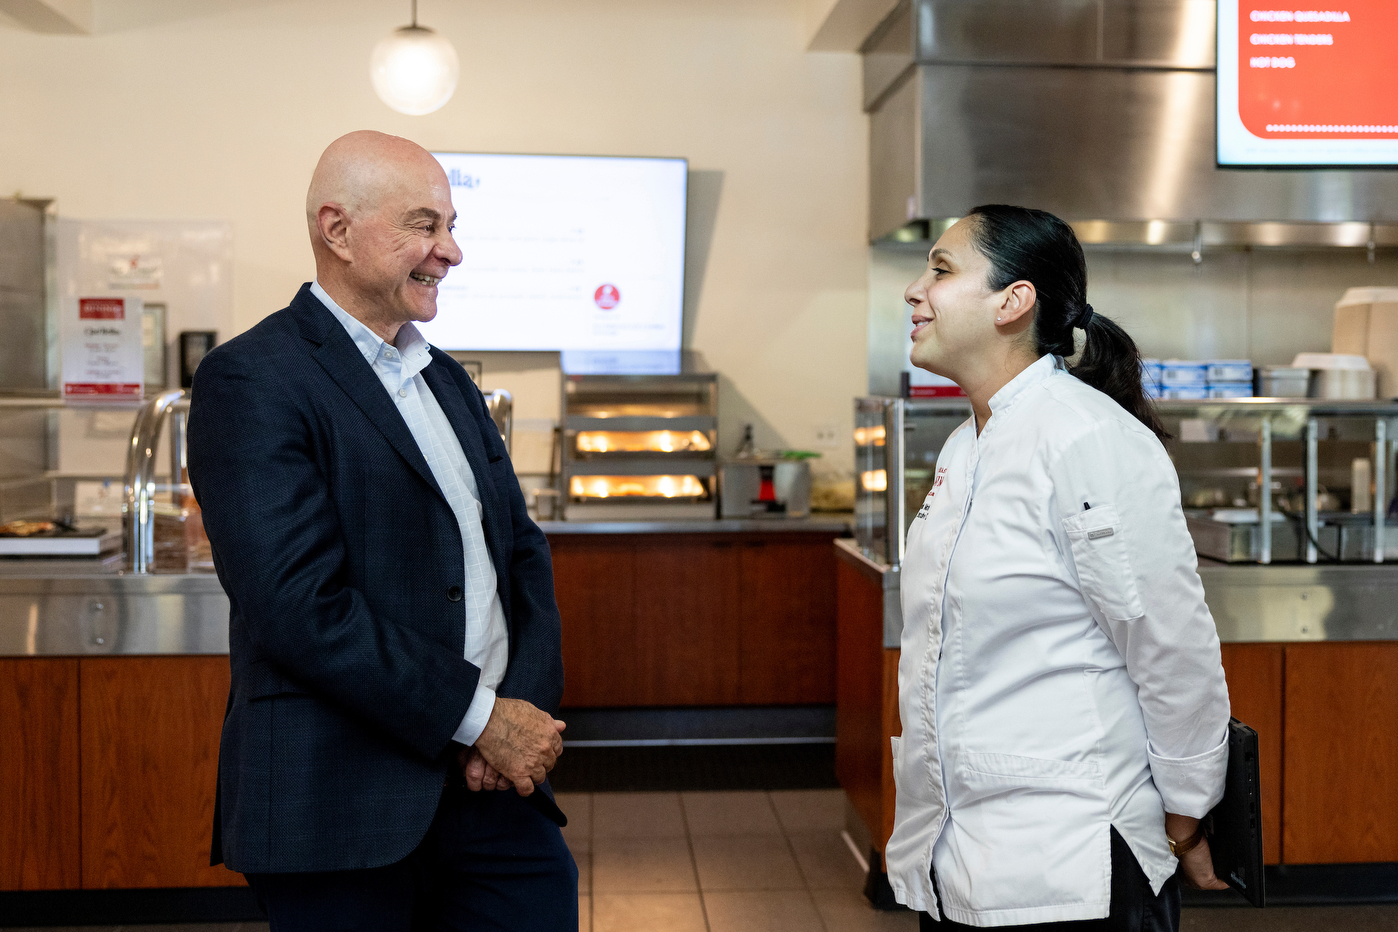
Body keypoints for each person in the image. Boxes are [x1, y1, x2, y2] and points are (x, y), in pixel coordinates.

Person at [186, 131, 576, 932]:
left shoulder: (445, 379)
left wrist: (517, 720)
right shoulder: (252, 379)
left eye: (452, 225)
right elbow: (299, 607)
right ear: (337, 230)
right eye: (425, 226)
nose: (452, 252)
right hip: (339, 808)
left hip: (490, 788)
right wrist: (481, 718)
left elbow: (520, 558)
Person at [885, 205, 1232, 931]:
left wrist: (1184, 817)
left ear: (1014, 302)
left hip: (1072, 865)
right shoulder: (965, 447)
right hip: (960, 857)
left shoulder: (1087, 440)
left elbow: (1171, 650)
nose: (914, 292)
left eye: (942, 271)